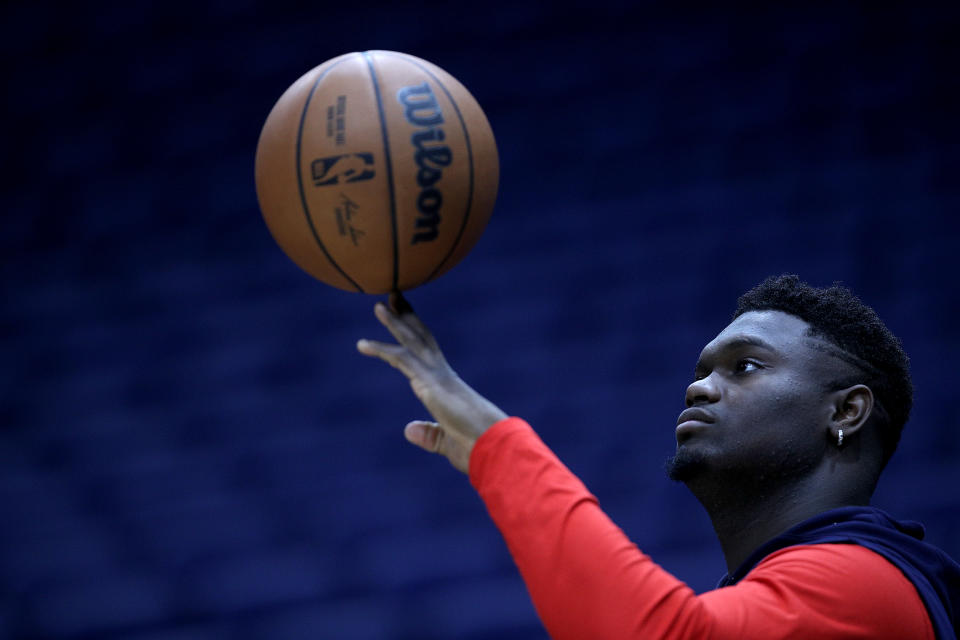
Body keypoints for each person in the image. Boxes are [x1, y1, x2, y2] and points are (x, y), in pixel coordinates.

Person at [356, 274, 960, 639]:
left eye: (745, 367)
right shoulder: (794, 590)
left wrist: (502, 449)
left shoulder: (864, 582)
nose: (698, 387)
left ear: (846, 412)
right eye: (700, 371)